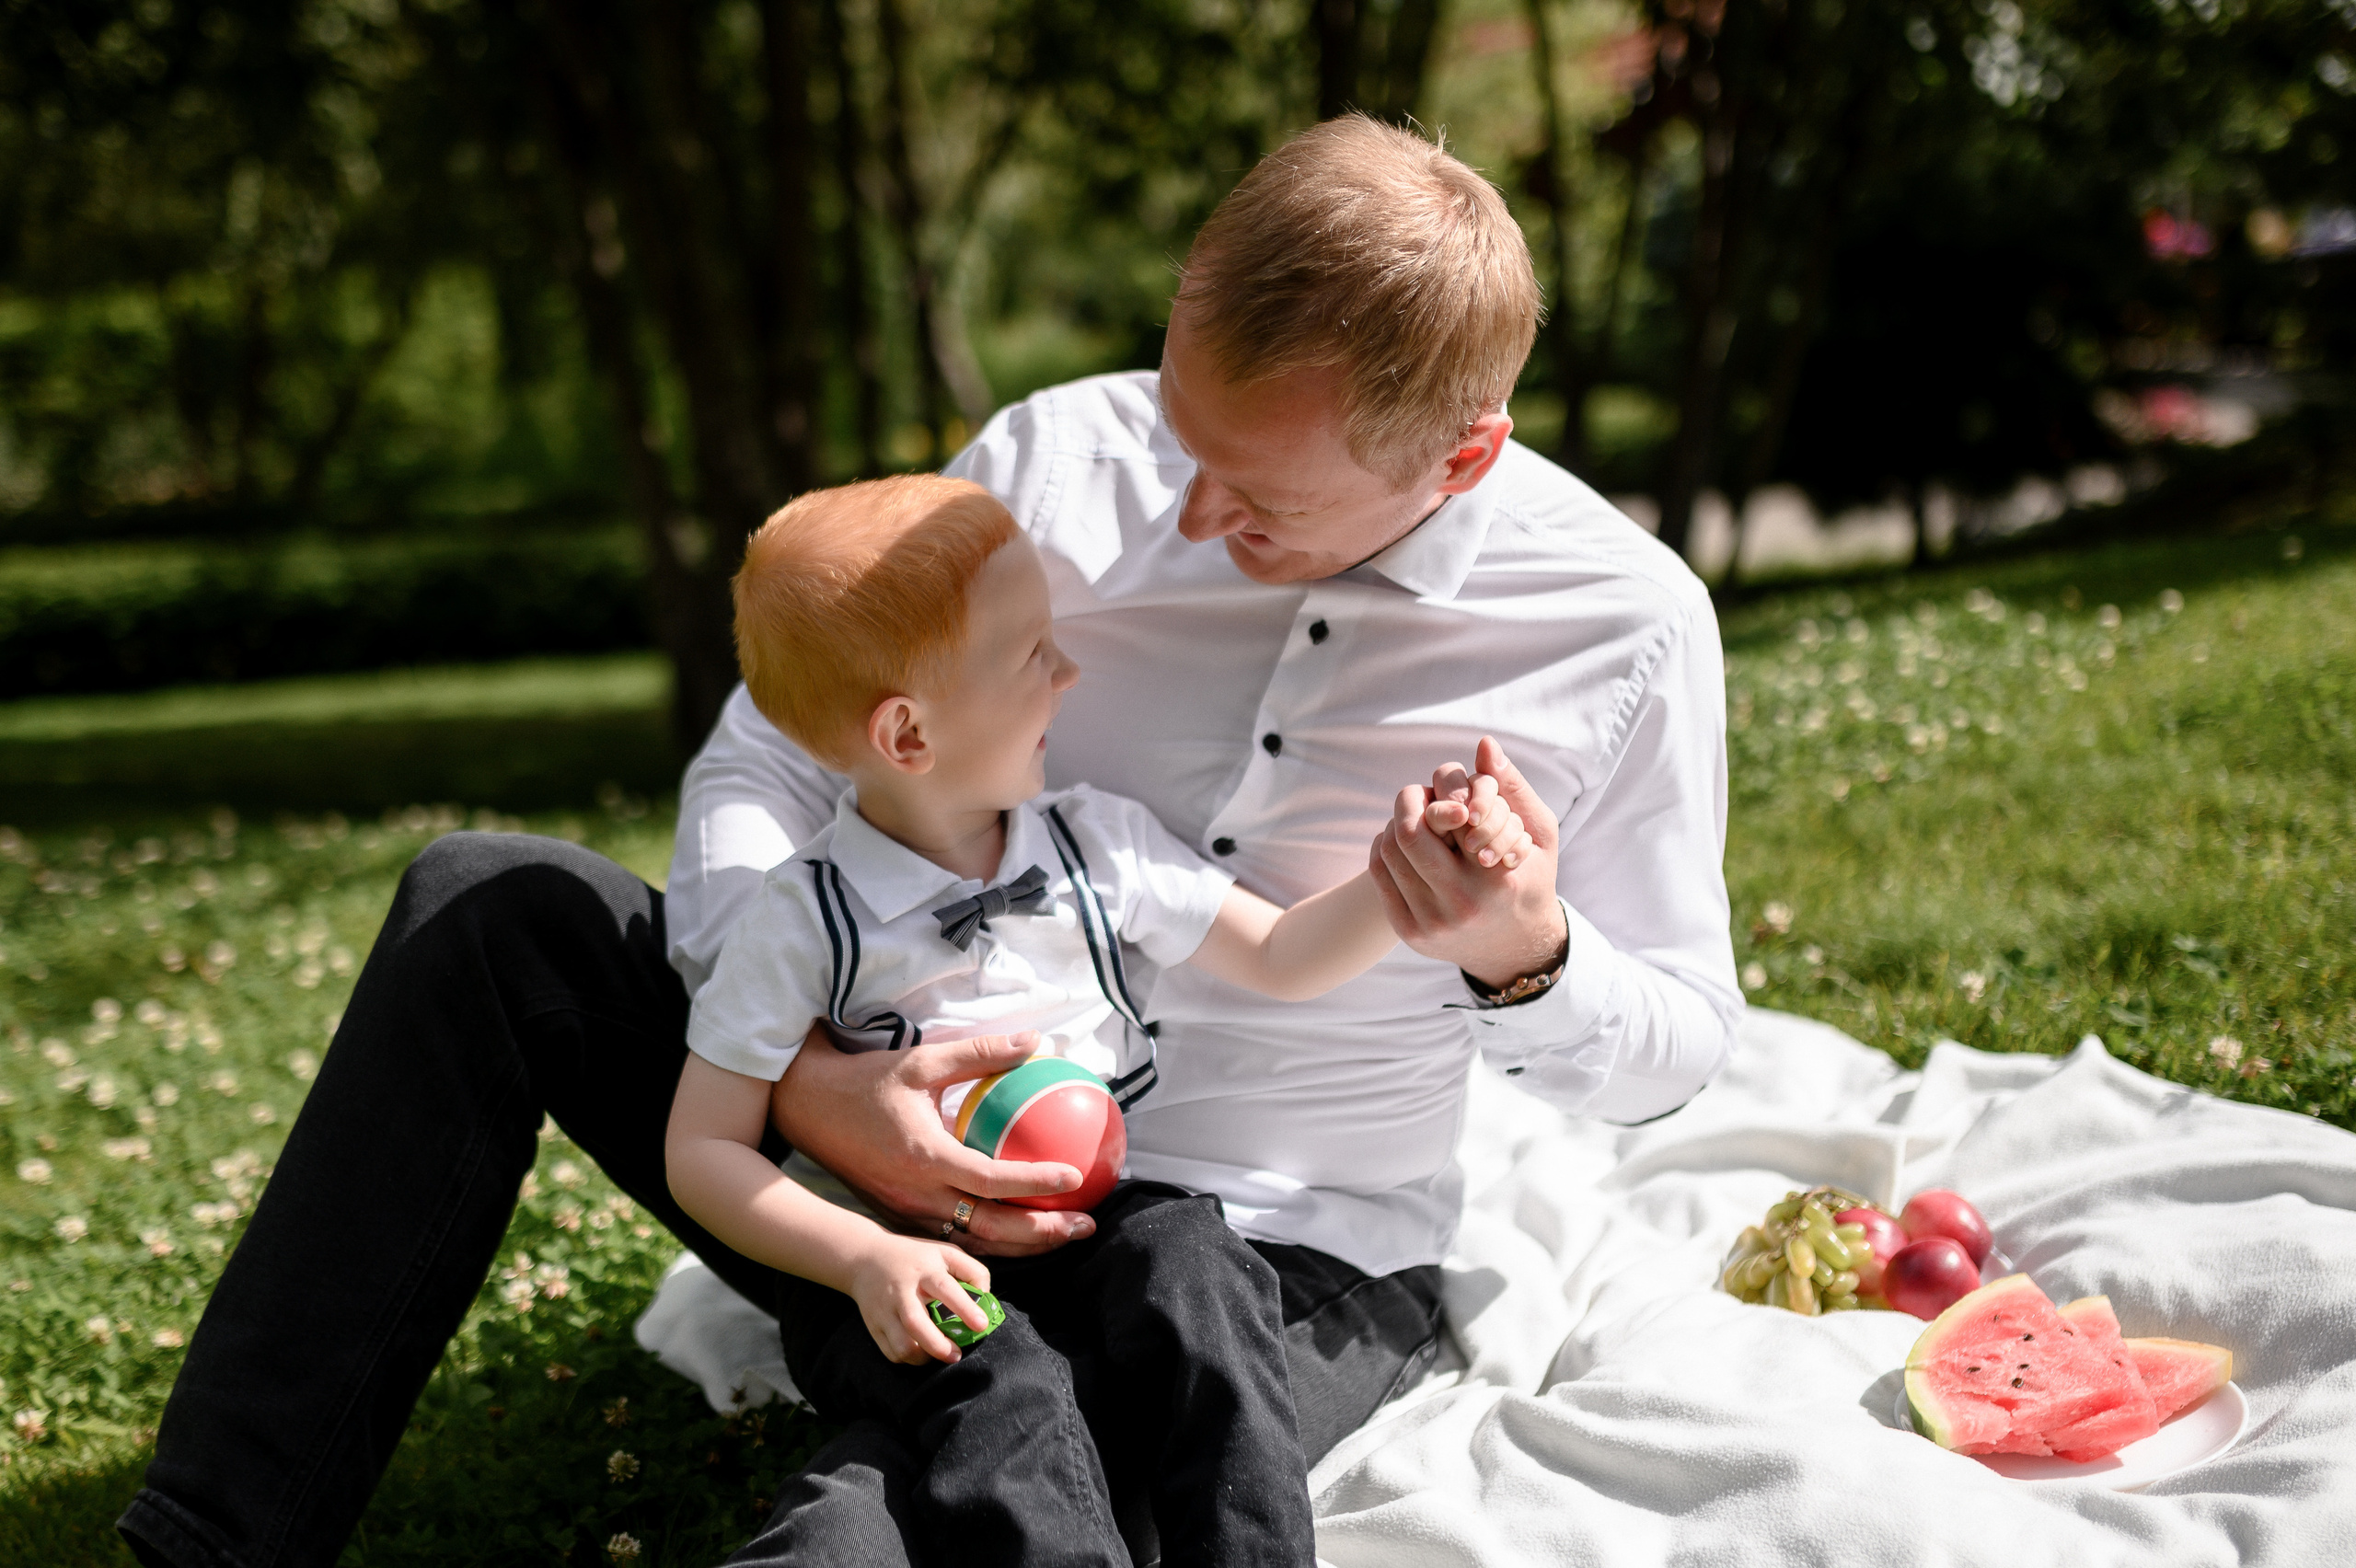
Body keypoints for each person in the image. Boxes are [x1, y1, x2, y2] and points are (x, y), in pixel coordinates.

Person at [120, 113, 1738, 1568]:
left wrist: (1521, 956)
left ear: (1459, 454)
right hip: (866, 1144)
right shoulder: (1054, 462)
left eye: (1255, 506)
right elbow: (765, 753)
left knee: (905, 1520)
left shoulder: (1624, 628)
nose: (1179, 519)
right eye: (1183, 444)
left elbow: (1674, 1059)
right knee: (490, 902)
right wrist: (811, 1083)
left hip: (1260, 1256)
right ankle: (212, 1539)